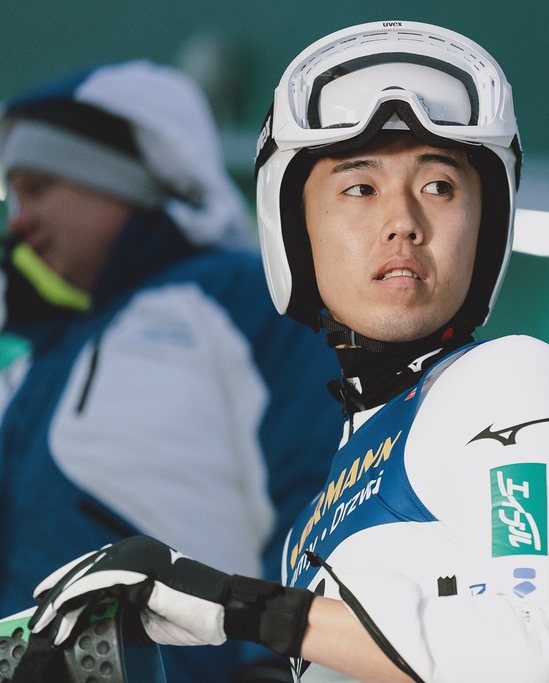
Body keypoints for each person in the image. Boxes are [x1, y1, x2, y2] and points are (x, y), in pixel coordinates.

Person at [23, 21, 549, 683]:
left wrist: (239, 606)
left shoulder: (508, 379)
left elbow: (531, 652)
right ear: (297, 234)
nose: (403, 222)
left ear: (486, 223)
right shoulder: (314, 518)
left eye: (440, 186)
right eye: (360, 188)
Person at [0, 61, 343, 682]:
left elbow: (325, 481)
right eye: (14, 197)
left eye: (40, 187)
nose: (18, 221)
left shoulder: (250, 298)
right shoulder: (37, 355)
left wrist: (280, 663)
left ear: (122, 182)